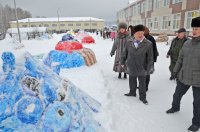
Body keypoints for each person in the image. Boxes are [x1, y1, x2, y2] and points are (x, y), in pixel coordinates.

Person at [166, 16, 200, 132]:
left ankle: (196, 123)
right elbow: (180, 59)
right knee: (176, 95)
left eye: (197, 28)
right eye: (193, 28)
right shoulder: (187, 43)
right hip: (184, 75)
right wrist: (175, 71)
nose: (194, 30)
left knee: (197, 103)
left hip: (198, 79)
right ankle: (175, 107)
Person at [121, 24, 153, 105]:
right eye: (138, 33)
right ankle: (132, 92)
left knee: (142, 83)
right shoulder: (129, 42)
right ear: (134, 33)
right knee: (132, 80)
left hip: (142, 67)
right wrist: (122, 62)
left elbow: (150, 58)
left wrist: (149, 68)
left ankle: (143, 97)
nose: (140, 34)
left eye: (142, 32)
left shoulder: (148, 43)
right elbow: (124, 53)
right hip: (131, 65)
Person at [144, 26, 159, 91]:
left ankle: (146, 86)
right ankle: (142, 85)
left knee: (147, 73)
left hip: (149, 59)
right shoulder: (140, 38)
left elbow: (154, 49)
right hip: (142, 59)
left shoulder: (151, 38)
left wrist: (154, 58)